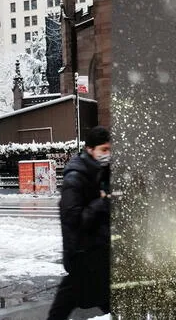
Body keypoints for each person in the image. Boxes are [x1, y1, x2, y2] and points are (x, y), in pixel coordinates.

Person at [47, 126, 112, 320]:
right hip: (83, 255)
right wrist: (103, 202)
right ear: (90, 149)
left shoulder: (102, 172)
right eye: (104, 150)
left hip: (100, 252)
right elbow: (73, 219)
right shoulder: (75, 177)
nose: (108, 154)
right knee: (63, 305)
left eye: (110, 149)